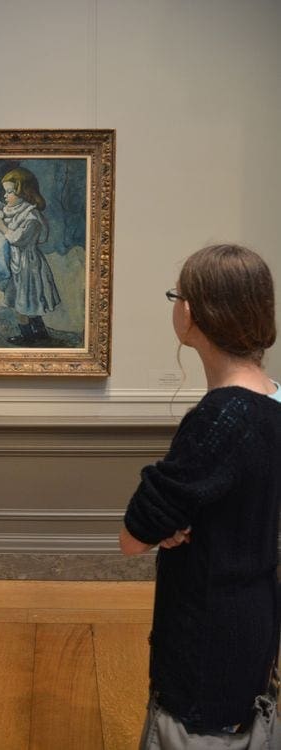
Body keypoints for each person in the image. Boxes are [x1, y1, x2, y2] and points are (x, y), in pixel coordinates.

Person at [120, 244, 281, 748]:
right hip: (252, 617)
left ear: (189, 311)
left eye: (176, 296)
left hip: (209, 634)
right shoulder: (273, 397)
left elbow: (133, 534)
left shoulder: (222, 417)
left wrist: (163, 524)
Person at [0, 167, 61, 345]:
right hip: (17, 263)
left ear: (23, 193)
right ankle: (40, 332)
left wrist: (2, 227)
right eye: (5, 192)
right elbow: (5, 210)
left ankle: (27, 337)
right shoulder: (17, 208)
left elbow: (17, 238)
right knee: (27, 302)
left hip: (28, 266)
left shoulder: (31, 217)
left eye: (9, 192)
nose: (5, 196)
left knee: (23, 303)